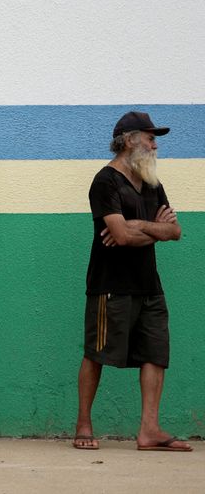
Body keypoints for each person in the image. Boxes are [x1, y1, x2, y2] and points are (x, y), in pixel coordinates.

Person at [73, 111, 192, 452]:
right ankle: (83, 423)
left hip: (149, 285)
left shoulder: (153, 182)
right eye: (150, 137)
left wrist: (139, 227)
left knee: (156, 354)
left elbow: (175, 230)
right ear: (129, 140)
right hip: (109, 285)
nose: (156, 145)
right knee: (96, 354)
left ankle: (149, 430)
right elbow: (120, 237)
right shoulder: (105, 181)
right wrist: (151, 229)